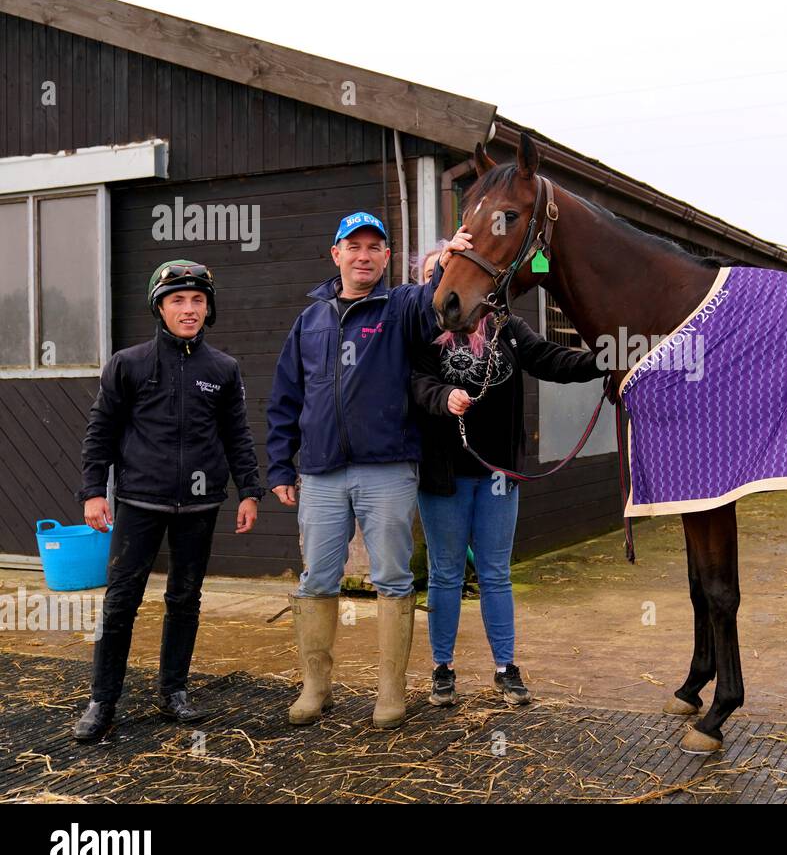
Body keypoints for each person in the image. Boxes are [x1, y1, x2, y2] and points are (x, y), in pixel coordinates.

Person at [266, 212, 470, 730]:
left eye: (374, 247)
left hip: (387, 468)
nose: (363, 255)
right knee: (316, 581)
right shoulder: (309, 320)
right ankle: (315, 688)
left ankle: (390, 693)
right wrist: (279, 466)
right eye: (353, 246)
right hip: (320, 472)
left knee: (394, 580)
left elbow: (434, 305)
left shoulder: (400, 306)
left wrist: (447, 264)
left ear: (386, 258)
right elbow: (286, 396)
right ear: (335, 254)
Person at [73, 260, 262, 743]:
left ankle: (173, 690)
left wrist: (249, 491)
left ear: (209, 308)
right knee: (120, 603)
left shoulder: (222, 369)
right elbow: (102, 432)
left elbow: (236, 434)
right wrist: (94, 491)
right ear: (159, 307)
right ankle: (102, 701)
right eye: (178, 300)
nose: (189, 309)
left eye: (198, 300)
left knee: (185, 600)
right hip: (139, 502)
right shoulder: (128, 364)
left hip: (200, 506)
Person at [411, 238, 604, 707]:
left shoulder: (507, 329)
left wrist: (603, 360)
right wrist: (442, 397)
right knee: (445, 573)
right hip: (444, 474)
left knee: (496, 572)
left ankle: (505, 667)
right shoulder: (419, 332)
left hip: (498, 473)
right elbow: (415, 384)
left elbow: (552, 360)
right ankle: (442, 667)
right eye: (437, 274)